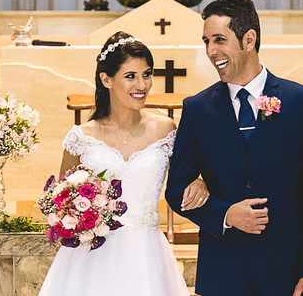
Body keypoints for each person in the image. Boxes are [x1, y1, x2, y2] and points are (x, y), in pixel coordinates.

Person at [165, 0, 303, 296]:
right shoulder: (197, 109)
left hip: (287, 273)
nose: (210, 51)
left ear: (249, 40)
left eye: (219, 40)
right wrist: (226, 214)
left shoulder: (302, 102)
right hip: (223, 274)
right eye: (206, 41)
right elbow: (176, 190)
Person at [37, 32, 208, 296]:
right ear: (106, 79)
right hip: (91, 259)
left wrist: (200, 180)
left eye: (147, 74)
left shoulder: (165, 129)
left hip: (148, 256)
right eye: (131, 76)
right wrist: (76, 217)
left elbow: (184, 180)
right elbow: (60, 204)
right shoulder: (81, 137)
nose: (142, 84)